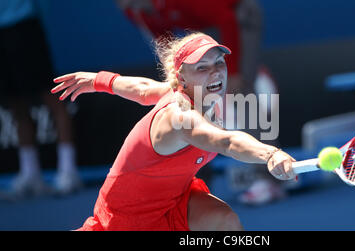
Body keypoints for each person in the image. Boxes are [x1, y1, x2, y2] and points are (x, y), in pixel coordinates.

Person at [52, 32, 296, 230]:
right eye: (202, 67)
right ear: (181, 78)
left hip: (171, 203)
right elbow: (226, 142)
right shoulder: (179, 117)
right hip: (124, 221)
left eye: (219, 62)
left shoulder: (188, 94)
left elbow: (142, 88)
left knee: (224, 222)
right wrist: (270, 154)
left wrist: (99, 80)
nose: (216, 72)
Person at [116, 0, 286, 205]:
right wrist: (176, 81)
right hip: (204, 27)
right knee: (192, 96)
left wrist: (232, 71)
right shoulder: (134, 9)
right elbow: (165, 43)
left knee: (239, 89)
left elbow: (226, 18)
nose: (124, 4)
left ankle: (269, 178)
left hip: (237, 16)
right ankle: (197, 185)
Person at [0, 0, 81, 198]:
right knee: (15, 104)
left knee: (52, 97)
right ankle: (30, 173)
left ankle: (68, 171)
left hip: (23, 26)